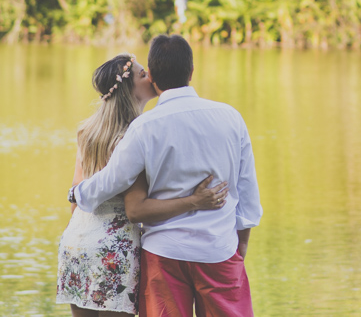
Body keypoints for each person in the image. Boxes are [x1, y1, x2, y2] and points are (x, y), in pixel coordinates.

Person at [70, 35, 262, 317]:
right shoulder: (231, 117)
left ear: (154, 77)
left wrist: (78, 193)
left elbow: (113, 179)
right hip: (219, 250)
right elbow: (247, 192)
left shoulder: (144, 126)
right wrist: (240, 245)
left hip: (164, 254)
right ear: (192, 71)